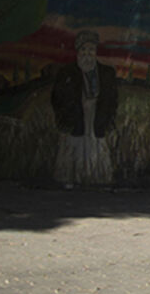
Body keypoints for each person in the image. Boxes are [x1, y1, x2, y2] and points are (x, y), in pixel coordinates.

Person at [51, 30, 118, 185]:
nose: (87, 54)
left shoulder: (106, 73)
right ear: (78, 51)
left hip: (97, 118)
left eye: (91, 50)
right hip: (75, 118)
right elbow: (57, 98)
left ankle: (96, 180)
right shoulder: (67, 72)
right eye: (83, 50)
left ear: (95, 52)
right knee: (73, 148)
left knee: (97, 147)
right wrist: (64, 117)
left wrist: (109, 120)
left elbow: (112, 100)